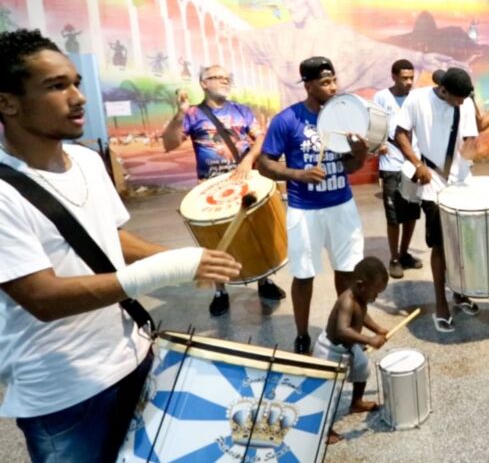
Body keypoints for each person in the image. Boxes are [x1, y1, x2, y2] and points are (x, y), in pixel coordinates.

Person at [0, 29, 241, 462]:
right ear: (7, 102)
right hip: (64, 394)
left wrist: (190, 262)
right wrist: (167, 269)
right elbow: (41, 297)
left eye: (75, 82)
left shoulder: (89, 163)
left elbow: (109, 239)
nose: (78, 97)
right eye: (56, 86)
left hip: (135, 359)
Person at [257, 56, 369, 354]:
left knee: (347, 272)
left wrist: (360, 150)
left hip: (342, 206)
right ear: (308, 86)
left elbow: (352, 167)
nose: (333, 88)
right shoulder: (287, 120)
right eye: (325, 83)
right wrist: (297, 174)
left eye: (334, 81)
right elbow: (263, 163)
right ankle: (303, 333)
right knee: (304, 274)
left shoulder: (344, 118)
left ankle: (345, 329)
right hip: (304, 209)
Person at [161, 63, 285, 316]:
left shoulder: (242, 111)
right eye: (217, 77)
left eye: (227, 77)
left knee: (254, 231)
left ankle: (265, 280)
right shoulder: (192, 114)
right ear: (203, 83)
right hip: (210, 186)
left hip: (244, 181)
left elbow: (260, 138)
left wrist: (249, 160)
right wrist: (179, 114)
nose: (224, 81)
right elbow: (170, 144)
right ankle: (220, 291)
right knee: (215, 240)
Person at [394, 68, 480, 332]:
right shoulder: (417, 99)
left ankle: (460, 291)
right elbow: (400, 134)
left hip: (461, 181)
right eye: (458, 99)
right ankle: (441, 302)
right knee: (441, 245)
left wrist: (473, 148)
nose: (462, 104)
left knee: (463, 242)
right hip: (431, 180)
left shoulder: (463, 103)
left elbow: (470, 138)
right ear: (443, 90)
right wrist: (417, 163)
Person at [313, 257, 389, 445]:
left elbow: (363, 317)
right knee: (329, 391)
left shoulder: (361, 297)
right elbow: (342, 329)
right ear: (361, 285)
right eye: (375, 293)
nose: (376, 298)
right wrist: (370, 339)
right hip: (330, 350)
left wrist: (378, 329)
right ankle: (323, 428)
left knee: (363, 368)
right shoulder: (347, 300)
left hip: (349, 346)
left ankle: (356, 402)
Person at [372, 60, 423, 279]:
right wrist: (378, 145)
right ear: (393, 76)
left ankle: (404, 254)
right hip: (391, 163)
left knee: (411, 212)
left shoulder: (417, 98)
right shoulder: (382, 97)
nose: (409, 82)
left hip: (413, 164)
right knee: (393, 216)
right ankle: (393, 258)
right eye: (404, 78)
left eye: (411, 77)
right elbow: (373, 125)